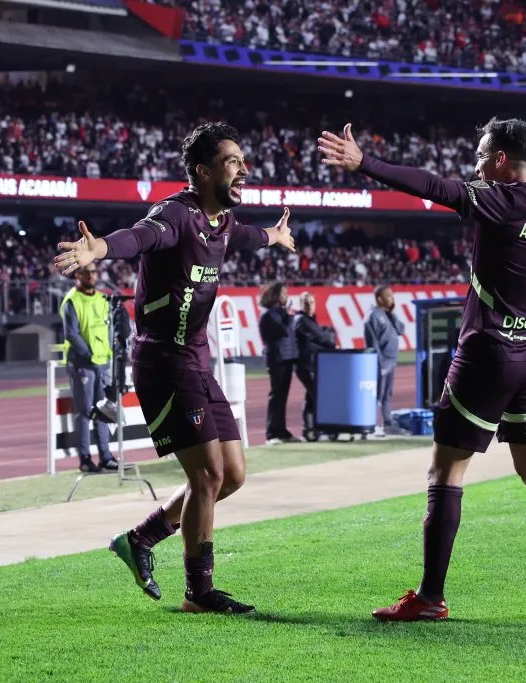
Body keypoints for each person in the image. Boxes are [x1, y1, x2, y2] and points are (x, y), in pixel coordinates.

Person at [319, 118, 526, 621]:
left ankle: (430, 598)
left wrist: (365, 164)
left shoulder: (501, 200)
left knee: (445, 471)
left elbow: (434, 187)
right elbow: (522, 174)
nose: (475, 165)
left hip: (489, 354)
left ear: (500, 160)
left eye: (481, 155)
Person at [54, 122, 296, 615]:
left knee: (231, 476)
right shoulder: (175, 214)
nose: (243, 170)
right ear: (203, 172)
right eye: (232, 162)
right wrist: (99, 248)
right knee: (206, 475)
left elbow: (246, 237)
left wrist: (274, 235)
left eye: (243, 160)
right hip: (163, 362)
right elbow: (139, 237)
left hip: (197, 361)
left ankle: (140, 539)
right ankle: (199, 593)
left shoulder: (223, 222)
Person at [60, 263, 119, 473]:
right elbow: (71, 333)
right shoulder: (72, 301)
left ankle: (106, 457)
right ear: (78, 275)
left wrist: (108, 354)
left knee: (103, 410)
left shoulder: (103, 299)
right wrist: (89, 354)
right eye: (88, 272)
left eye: (94, 272)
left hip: (102, 363)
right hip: (82, 364)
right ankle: (85, 459)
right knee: (85, 412)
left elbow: (109, 329)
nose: (92, 275)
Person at [258, 282, 300, 444]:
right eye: (283, 294)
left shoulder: (278, 313)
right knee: (276, 396)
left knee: (282, 397)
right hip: (277, 359)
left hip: (286, 358)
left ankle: (281, 431)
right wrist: (288, 314)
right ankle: (272, 433)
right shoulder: (269, 315)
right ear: (276, 296)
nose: (286, 297)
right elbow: (284, 331)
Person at [363, 285, 405, 436]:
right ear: (379, 299)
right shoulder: (372, 316)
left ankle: (387, 423)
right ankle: (371, 424)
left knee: (387, 393)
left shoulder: (388, 314)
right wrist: (379, 362)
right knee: (377, 394)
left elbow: (401, 330)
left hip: (392, 359)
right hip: (381, 361)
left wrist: (392, 313)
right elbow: (372, 342)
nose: (392, 299)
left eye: (392, 295)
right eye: (388, 296)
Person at [293, 292, 336, 439]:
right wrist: (330, 341)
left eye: (312, 302)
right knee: (318, 396)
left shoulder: (308, 320)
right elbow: (320, 337)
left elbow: (318, 337)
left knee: (312, 396)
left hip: (309, 363)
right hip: (305, 364)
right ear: (301, 304)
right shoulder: (301, 320)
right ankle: (321, 427)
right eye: (306, 303)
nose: (309, 306)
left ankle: (309, 429)